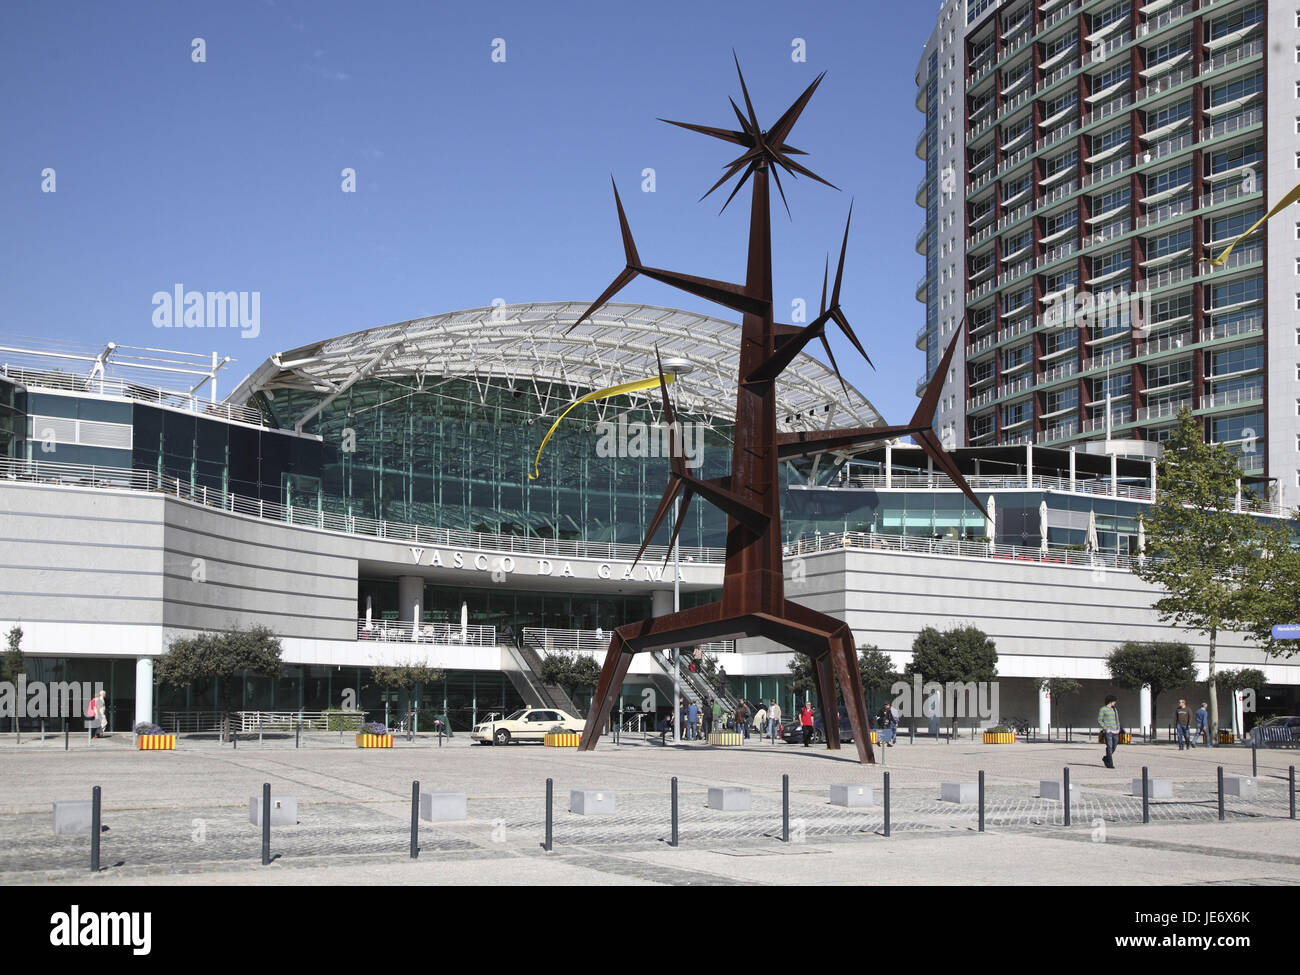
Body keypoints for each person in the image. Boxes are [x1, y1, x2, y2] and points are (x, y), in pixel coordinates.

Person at [1098, 694, 1120, 768]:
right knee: (1109, 747)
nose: (1115, 703)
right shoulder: (1103, 709)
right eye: (1114, 701)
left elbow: (1117, 720)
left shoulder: (1114, 709)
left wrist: (1118, 728)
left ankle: (1106, 758)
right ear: (1110, 701)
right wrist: (1106, 728)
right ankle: (1110, 764)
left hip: (1115, 731)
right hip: (1108, 732)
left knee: (1114, 746)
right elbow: (1099, 720)